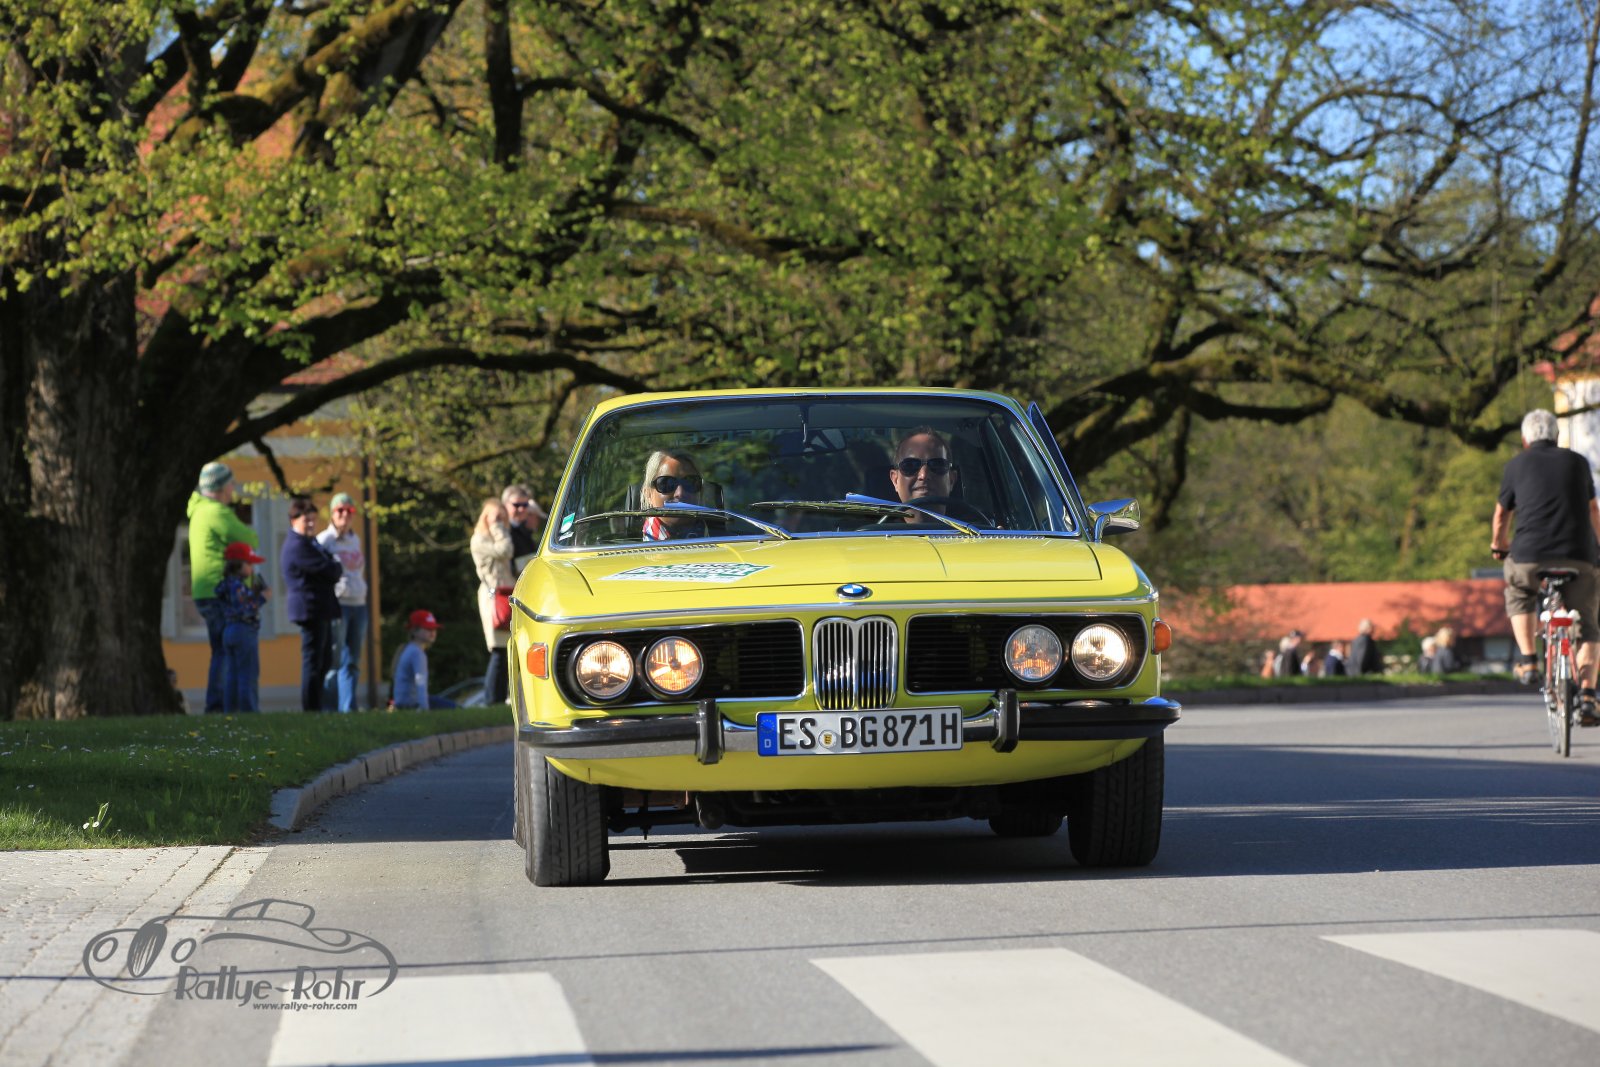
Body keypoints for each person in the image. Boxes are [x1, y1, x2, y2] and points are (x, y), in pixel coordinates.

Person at [1490, 408, 1600, 726]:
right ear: (1557, 436)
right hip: (1579, 555)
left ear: (1525, 440)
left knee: (1519, 592)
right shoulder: (1578, 462)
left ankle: (1528, 661)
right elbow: (1593, 510)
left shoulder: (1515, 465)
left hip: (1529, 556)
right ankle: (1588, 696)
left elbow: (1502, 515)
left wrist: (1499, 544)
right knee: (1589, 624)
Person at [187, 462, 259, 713]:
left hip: (204, 590)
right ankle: (219, 706)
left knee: (220, 649)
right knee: (224, 652)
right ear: (220, 487)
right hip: (219, 590)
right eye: (230, 483)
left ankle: (220, 706)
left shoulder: (199, 510)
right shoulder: (216, 512)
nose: (233, 488)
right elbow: (250, 538)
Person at [280, 495, 344, 713]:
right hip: (310, 609)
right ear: (294, 520)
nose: (310, 524)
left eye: (313, 520)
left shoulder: (310, 543)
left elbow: (332, 567)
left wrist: (333, 567)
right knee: (313, 661)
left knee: (324, 660)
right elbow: (329, 570)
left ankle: (317, 706)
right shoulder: (297, 546)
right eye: (306, 520)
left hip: (320, 608)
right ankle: (311, 709)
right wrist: (333, 568)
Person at [316, 492, 368, 712]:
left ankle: (348, 709)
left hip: (359, 603)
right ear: (332, 513)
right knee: (334, 659)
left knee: (353, 660)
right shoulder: (324, 540)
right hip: (338, 604)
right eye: (340, 510)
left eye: (350, 511)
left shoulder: (355, 540)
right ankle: (329, 710)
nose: (345, 515)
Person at [214, 542, 268, 713]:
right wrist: (262, 598)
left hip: (229, 630)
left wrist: (253, 594)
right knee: (248, 674)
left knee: (232, 675)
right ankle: (249, 711)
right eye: (249, 563)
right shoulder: (237, 586)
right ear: (237, 565)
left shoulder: (226, 585)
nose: (252, 567)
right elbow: (244, 609)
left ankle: (231, 711)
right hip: (244, 631)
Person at [471, 498, 514, 704]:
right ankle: (491, 699)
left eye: (501, 517)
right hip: (493, 597)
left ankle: (500, 697)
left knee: (506, 650)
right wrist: (498, 527)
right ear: (485, 517)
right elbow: (505, 550)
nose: (498, 521)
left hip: (505, 594)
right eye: (494, 517)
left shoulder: (497, 536)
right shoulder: (479, 539)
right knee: (498, 650)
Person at [888, 427, 960, 520]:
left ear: (951, 480)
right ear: (895, 480)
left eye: (937, 465)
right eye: (910, 465)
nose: (924, 475)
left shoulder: (975, 528)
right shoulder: (872, 529)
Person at [391, 610, 456, 710]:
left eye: (434, 629)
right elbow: (420, 682)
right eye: (428, 628)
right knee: (456, 708)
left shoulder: (409, 649)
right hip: (411, 703)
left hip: (402, 702)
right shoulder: (417, 653)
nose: (432, 632)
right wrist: (424, 708)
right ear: (414, 631)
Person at [641, 450, 707, 540]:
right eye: (667, 483)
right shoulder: (628, 544)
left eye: (690, 482)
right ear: (648, 494)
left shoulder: (722, 536)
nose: (680, 493)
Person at [502, 484, 546, 577]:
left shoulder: (526, 528)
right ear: (505, 505)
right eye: (516, 505)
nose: (521, 509)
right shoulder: (501, 531)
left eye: (525, 505)